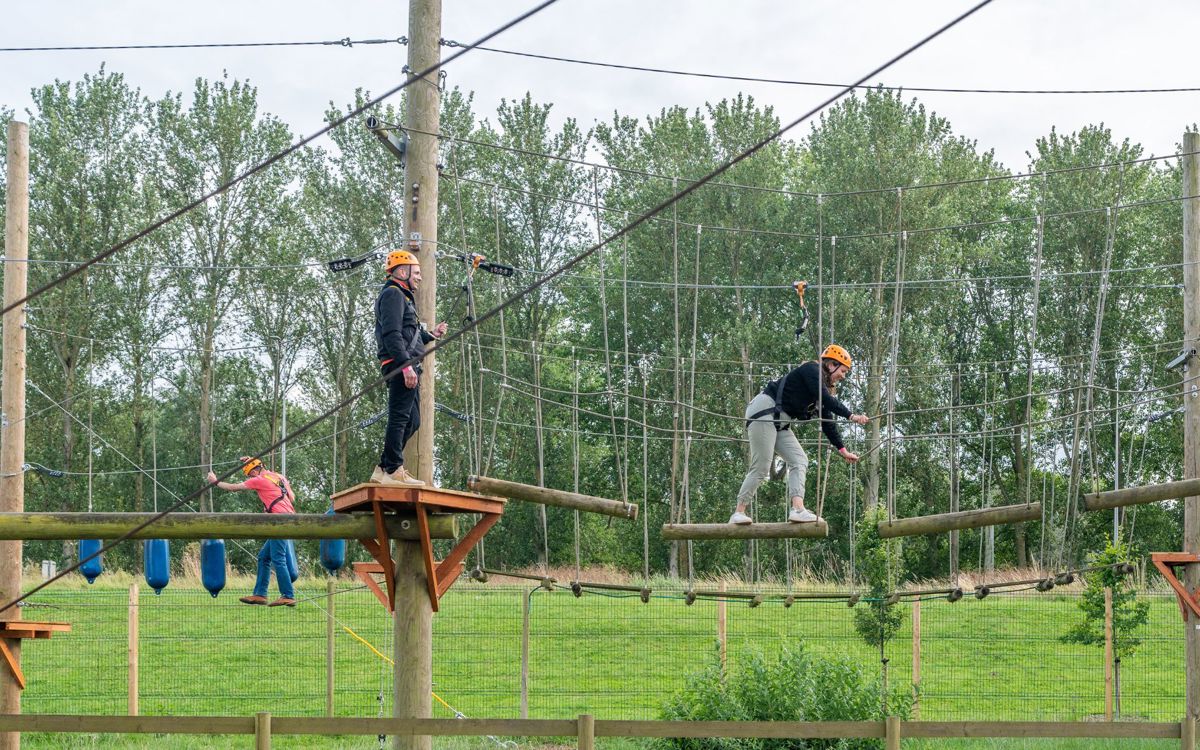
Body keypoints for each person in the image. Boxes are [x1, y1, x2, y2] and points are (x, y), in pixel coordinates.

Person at [730, 344, 870, 525]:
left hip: (780, 421)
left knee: (799, 460)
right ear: (831, 364)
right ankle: (738, 512)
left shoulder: (820, 390)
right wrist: (852, 416)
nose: (843, 376)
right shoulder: (811, 370)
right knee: (762, 465)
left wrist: (842, 450)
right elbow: (828, 400)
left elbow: (828, 422)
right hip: (764, 410)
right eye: (842, 371)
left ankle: (797, 509)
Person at [371, 249, 448, 486]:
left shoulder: (401, 296)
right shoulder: (393, 294)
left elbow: (407, 335)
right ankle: (393, 469)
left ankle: (383, 468)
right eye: (416, 272)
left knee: (413, 420)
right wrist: (405, 366)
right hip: (400, 365)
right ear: (402, 271)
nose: (420, 277)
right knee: (400, 417)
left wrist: (430, 335)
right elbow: (392, 335)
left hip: (407, 363)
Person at [207, 457, 298, 607]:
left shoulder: (260, 480)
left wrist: (215, 481)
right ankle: (260, 594)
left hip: (278, 521)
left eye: (250, 475)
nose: (251, 478)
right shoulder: (279, 477)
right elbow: (292, 497)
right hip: (289, 519)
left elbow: (233, 487)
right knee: (263, 557)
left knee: (278, 558)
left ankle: (288, 595)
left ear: (255, 471)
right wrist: (250, 459)